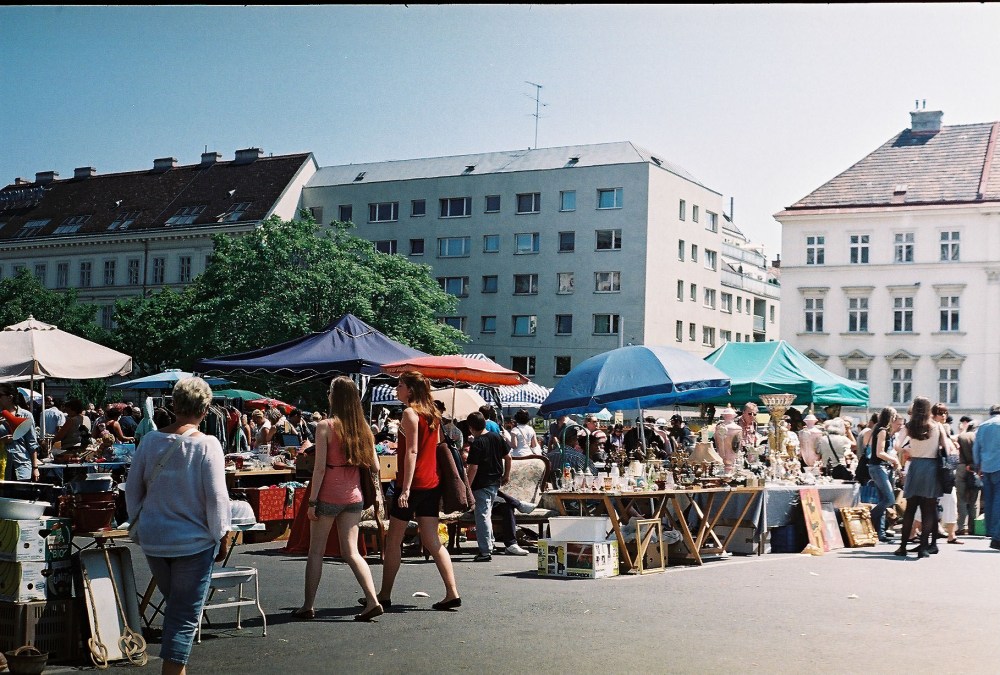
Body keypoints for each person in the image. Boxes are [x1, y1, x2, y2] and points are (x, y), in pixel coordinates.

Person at [125, 377, 230, 675]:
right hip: (193, 543)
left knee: (176, 609)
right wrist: (221, 534)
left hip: (156, 541)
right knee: (183, 616)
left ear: (173, 404)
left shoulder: (149, 441)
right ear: (206, 408)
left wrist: (141, 524)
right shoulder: (207, 445)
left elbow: (132, 490)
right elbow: (217, 498)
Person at [295, 376, 383, 622]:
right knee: (352, 551)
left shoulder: (325, 426)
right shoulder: (363, 428)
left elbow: (319, 469)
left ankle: (308, 605)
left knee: (315, 552)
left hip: (328, 495)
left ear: (335, 396)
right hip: (354, 496)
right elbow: (375, 467)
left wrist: (312, 502)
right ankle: (372, 600)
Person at [373, 371, 460, 611]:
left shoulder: (410, 414)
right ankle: (452, 591)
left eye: (400, 385)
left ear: (410, 390)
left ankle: (385, 593)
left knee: (393, 540)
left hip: (412, 484)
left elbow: (412, 452)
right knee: (433, 540)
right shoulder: (432, 414)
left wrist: (405, 489)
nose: (396, 389)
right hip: (431, 483)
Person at [894, 396, 952, 558]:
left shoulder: (909, 426)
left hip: (915, 467)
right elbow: (946, 447)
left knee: (910, 509)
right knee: (928, 510)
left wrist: (909, 451)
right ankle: (924, 548)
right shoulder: (936, 426)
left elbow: (896, 445)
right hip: (932, 467)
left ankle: (903, 546)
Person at [466, 411, 513, 562]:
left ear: (471, 428)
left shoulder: (477, 443)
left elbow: (473, 468)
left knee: (482, 516)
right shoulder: (497, 437)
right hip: (495, 482)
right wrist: (506, 475)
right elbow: (508, 457)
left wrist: (468, 486)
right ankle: (490, 544)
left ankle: (485, 551)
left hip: (481, 484)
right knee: (487, 514)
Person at [867, 407, 903, 542]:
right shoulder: (882, 431)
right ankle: (868, 518)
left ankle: (880, 533)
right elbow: (879, 453)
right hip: (878, 467)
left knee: (883, 500)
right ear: (890, 417)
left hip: (880, 467)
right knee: (889, 500)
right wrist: (893, 459)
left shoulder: (881, 430)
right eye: (894, 417)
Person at [931, 403, 962, 545]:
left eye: (945, 413)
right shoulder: (935, 429)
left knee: (945, 502)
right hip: (941, 470)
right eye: (940, 413)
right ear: (933, 414)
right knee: (946, 501)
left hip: (945, 470)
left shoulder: (944, 429)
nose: (943, 416)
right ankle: (950, 534)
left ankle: (950, 533)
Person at [972, 404, 1000, 551]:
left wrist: (978, 466)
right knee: (998, 501)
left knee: (989, 500)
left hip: (986, 467)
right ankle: (997, 535)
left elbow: (976, 448)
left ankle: (991, 531)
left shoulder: (983, 426)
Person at [0, 384, 40, 482]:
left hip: (22, 465)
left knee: (21, 495)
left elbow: (32, 444)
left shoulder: (25, 415)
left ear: (10, 397)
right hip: (2, 467)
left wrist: (35, 468)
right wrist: (1, 441)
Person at [954, 418, 979, 535]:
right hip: (975, 469)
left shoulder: (962, 436)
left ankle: (961, 527)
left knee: (961, 499)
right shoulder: (977, 438)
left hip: (961, 467)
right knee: (974, 501)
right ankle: (972, 528)